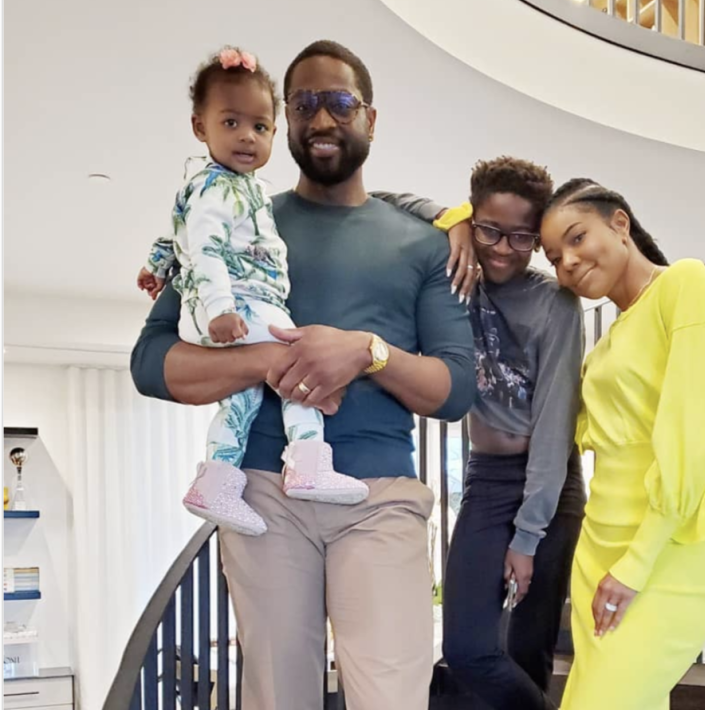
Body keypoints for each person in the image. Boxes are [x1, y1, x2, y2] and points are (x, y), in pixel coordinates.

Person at [130, 40, 476, 710]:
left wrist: (365, 350)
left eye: (340, 103)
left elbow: (455, 389)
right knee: (277, 696)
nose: (322, 120)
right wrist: (268, 361)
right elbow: (151, 362)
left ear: (370, 119)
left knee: (391, 696)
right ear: (284, 119)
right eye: (305, 104)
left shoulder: (424, 242)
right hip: (265, 498)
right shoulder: (230, 220)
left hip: (380, 501)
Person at [136, 47, 371, 537]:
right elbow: (203, 246)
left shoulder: (238, 188)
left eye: (260, 127)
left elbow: (180, 235)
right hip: (238, 303)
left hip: (239, 304)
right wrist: (220, 308)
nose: (247, 136)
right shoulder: (218, 187)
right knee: (299, 356)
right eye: (231, 123)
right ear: (200, 127)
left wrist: (156, 263)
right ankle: (308, 461)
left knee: (241, 399)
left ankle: (216, 481)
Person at [539, 179, 705, 710]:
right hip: (599, 554)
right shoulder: (608, 339)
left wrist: (637, 562)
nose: (566, 261)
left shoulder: (684, 284)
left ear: (619, 223)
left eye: (576, 237)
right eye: (553, 256)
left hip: (667, 556)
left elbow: (694, 436)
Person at [437, 157, 586, 710]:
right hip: (486, 476)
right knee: (467, 647)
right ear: (473, 219)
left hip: (549, 483)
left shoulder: (556, 305)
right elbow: (382, 200)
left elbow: (554, 427)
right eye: (489, 230)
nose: (502, 248)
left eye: (522, 236)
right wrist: (448, 221)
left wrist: (528, 537)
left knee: (527, 652)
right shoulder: (454, 270)